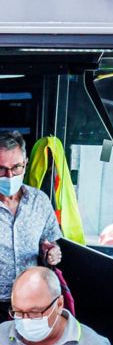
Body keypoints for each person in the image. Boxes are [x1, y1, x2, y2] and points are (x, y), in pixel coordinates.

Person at [0, 131, 63, 322]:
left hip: (31, 305)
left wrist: (51, 252)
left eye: (16, 167)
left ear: (25, 163)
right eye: (1, 169)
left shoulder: (39, 201)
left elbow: (50, 243)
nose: (9, 175)